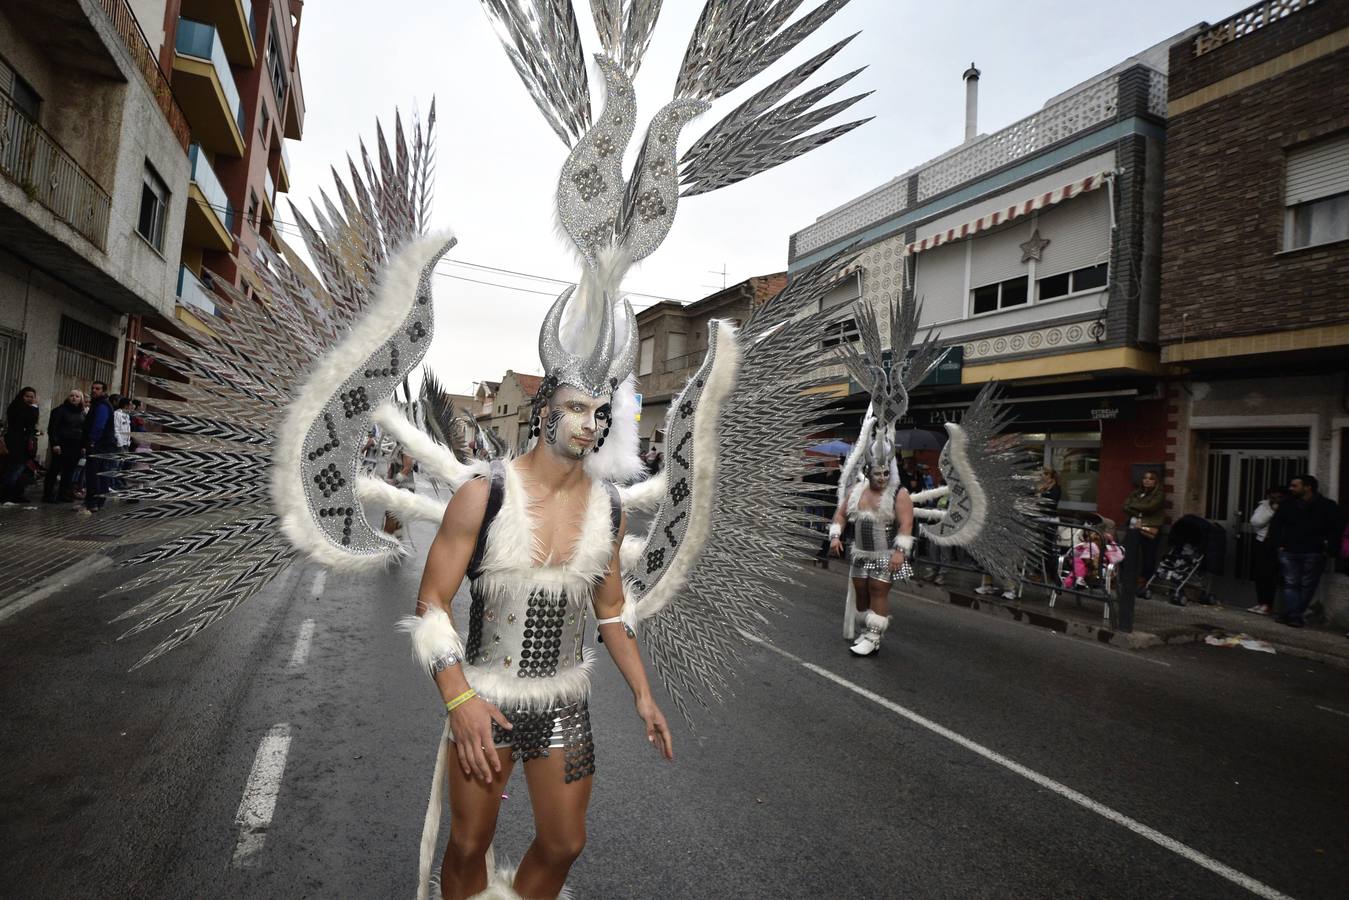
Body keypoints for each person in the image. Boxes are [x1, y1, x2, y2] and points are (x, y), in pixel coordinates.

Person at [408, 295, 672, 900]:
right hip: (486, 699)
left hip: (563, 702)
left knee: (564, 843)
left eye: (600, 413)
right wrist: (459, 699)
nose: (589, 424)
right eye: (575, 408)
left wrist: (643, 694)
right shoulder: (484, 495)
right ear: (542, 410)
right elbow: (431, 603)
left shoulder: (608, 508)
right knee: (468, 844)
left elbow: (610, 609)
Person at [829, 447, 915, 657]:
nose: (882, 477)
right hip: (860, 553)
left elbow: (906, 524)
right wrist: (835, 536)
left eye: (886, 473)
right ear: (868, 472)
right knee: (861, 591)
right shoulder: (856, 491)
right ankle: (865, 630)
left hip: (886, 554)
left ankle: (874, 637)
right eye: (878, 473)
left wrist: (900, 551)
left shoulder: (899, 493)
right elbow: (840, 515)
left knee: (878, 589)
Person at [1268, 474, 1342, 627]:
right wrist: (1279, 544)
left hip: (1314, 551)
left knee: (1307, 585)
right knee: (1291, 583)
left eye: (1295, 486)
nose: (1291, 489)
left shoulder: (1327, 506)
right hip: (1289, 550)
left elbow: (1336, 529)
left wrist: (1329, 549)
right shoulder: (1288, 504)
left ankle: (1291, 614)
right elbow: (1276, 525)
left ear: (1308, 487)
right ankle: (1294, 616)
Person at [1123, 470, 1165, 599]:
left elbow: (1150, 507)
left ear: (1156, 482)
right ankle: (1126, 579)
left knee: (1148, 556)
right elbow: (1125, 506)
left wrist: (1134, 506)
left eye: (1150, 479)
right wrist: (1139, 509)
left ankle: (1144, 582)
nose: (1147, 480)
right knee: (1125, 551)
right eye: (1145, 478)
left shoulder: (1159, 494)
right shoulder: (1136, 493)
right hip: (1134, 526)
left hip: (1150, 529)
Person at [1247, 485, 1284, 616]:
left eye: (1278, 497)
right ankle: (1261, 602)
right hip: (1261, 541)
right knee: (1260, 573)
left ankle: (1268, 604)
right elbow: (1256, 522)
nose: (1275, 500)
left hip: (1275, 544)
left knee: (1270, 575)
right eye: (1272, 497)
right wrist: (1271, 512)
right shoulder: (1264, 506)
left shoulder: (1287, 507)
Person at [43, 390, 86, 503]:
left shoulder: (82, 413)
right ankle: (48, 495)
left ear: (81, 399)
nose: (74, 398)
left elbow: (83, 430)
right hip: (62, 444)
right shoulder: (60, 410)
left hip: (76, 445)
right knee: (55, 469)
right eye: (71, 395)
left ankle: (63, 494)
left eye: (77, 396)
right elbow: (53, 429)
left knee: (69, 471)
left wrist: (83, 445)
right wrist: (55, 443)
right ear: (68, 397)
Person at [81, 380, 116, 514]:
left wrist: (92, 440)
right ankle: (98, 501)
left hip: (99, 445)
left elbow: (99, 425)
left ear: (104, 391)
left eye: (98, 389)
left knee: (93, 474)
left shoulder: (102, 405)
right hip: (104, 445)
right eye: (93, 388)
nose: (94, 390)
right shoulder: (100, 404)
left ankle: (92, 502)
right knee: (101, 474)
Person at [3, 386, 40, 504]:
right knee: (14, 469)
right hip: (15, 443)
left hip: (23, 444)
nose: (29, 399)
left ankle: (15, 493)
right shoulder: (17, 408)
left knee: (19, 469)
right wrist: (34, 407)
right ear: (21, 396)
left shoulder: (27, 408)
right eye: (27, 396)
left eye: (32, 397)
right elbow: (29, 421)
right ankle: (7, 494)